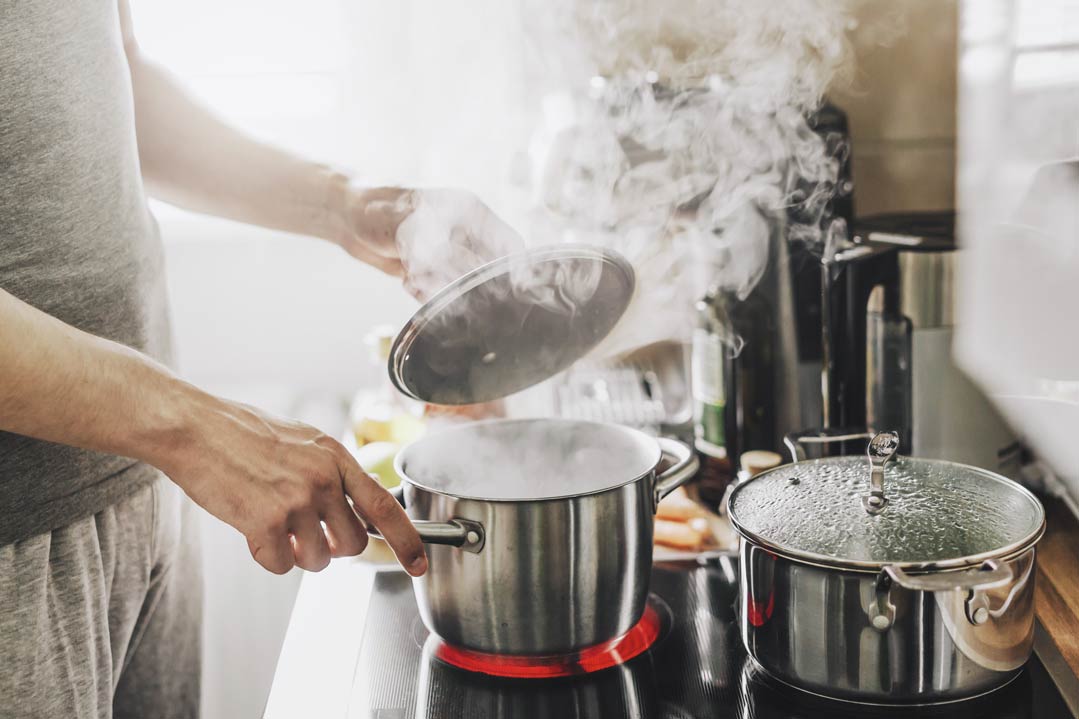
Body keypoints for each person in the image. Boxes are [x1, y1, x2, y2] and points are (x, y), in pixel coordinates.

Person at [0, 2, 521, 717]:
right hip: (17, 536)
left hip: (137, 480)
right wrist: (190, 427)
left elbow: (110, 77)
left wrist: (340, 202)